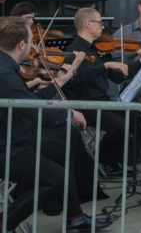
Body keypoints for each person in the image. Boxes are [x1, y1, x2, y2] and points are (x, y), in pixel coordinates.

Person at [0, 17, 112, 232]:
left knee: (65, 147)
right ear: (21, 45)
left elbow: (28, 101)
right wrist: (66, 114)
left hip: (17, 137)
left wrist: (58, 82)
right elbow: (32, 110)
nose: (33, 46)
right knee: (56, 178)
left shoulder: (7, 67)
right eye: (31, 41)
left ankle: (75, 217)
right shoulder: (4, 73)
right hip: (8, 147)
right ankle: (5, 222)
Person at [64, 8, 141, 170]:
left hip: (103, 102)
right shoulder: (74, 50)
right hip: (84, 104)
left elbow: (118, 77)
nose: (103, 26)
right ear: (88, 24)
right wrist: (105, 65)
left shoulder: (99, 50)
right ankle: (97, 162)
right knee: (120, 127)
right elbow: (78, 78)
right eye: (100, 23)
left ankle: (122, 160)